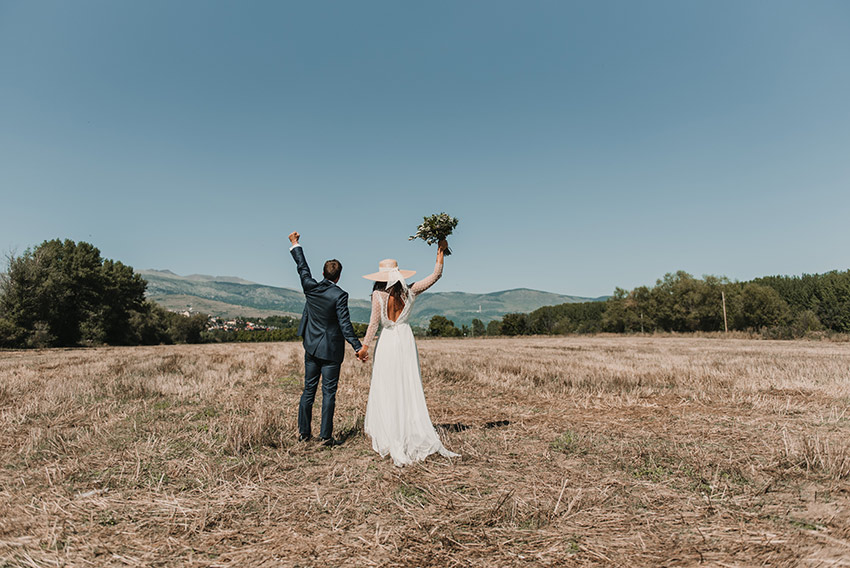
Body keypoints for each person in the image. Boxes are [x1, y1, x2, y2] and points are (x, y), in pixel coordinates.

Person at [359, 238, 460, 466]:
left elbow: (373, 324)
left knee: (388, 385)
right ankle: (410, 429)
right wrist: (440, 252)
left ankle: (390, 431)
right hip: (405, 339)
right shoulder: (410, 290)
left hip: (387, 342)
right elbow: (436, 276)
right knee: (407, 384)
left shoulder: (378, 295)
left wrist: (364, 347)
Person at [288, 231, 367, 446]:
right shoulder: (340, 295)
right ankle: (325, 437)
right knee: (329, 394)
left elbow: (302, 267)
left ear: (323, 273)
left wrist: (295, 244)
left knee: (308, 391)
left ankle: (304, 434)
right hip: (331, 351)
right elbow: (345, 324)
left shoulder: (310, 288)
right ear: (338, 276)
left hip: (311, 347)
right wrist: (358, 347)